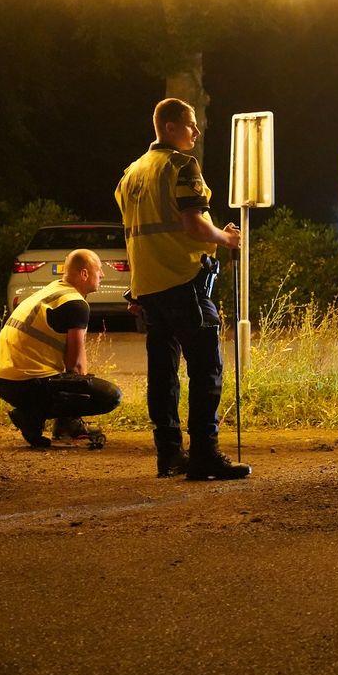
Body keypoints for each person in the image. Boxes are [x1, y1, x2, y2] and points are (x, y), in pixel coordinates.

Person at [115, 97, 249, 481]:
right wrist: (225, 238)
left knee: (163, 373)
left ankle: (169, 455)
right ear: (170, 127)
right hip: (183, 281)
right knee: (206, 369)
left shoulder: (131, 173)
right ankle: (205, 453)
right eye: (191, 124)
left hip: (149, 288)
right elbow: (192, 225)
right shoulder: (181, 166)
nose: (197, 131)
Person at [0, 249, 122, 448]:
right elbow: (76, 366)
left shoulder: (52, 290)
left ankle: (55, 421)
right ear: (85, 274)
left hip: (4, 380)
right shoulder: (76, 304)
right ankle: (33, 415)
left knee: (75, 382)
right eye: (99, 270)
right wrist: (77, 402)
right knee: (110, 395)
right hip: (26, 384)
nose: (102, 275)